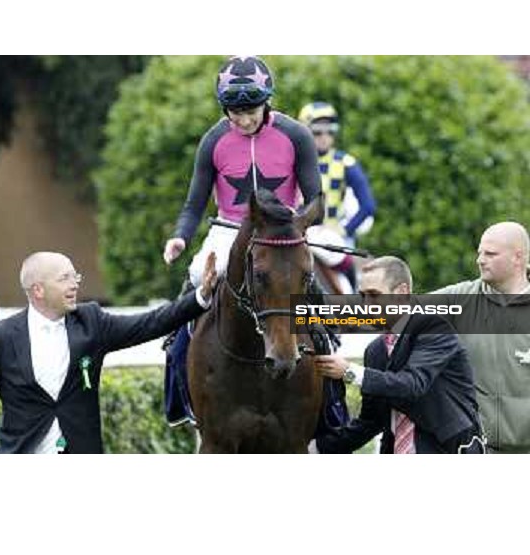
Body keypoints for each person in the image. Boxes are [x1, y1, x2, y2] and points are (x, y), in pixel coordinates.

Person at [162, 55, 325, 427]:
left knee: (310, 292)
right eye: (234, 112)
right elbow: (193, 204)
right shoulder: (214, 139)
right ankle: (177, 380)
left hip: (282, 231)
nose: (243, 120)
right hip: (228, 229)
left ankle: (330, 395)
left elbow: (317, 199)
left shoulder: (296, 134)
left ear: (267, 101)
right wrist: (180, 238)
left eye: (250, 110)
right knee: (192, 291)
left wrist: (299, 222)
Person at [0, 250, 217, 454]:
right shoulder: (0, 337)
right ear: (38, 290)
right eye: (64, 279)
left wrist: (200, 296)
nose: (75, 284)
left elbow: (151, 322)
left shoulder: (92, 322)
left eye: (75, 276)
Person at [310, 256, 485, 454]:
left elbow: (411, 384)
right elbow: (371, 422)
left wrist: (349, 371)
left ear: (402, 293)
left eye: (374, 295)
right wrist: (315, 448)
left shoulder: (434, 327)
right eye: (363, 295)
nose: (366, 304)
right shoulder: (375, 351)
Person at [432, 221, 530, 453]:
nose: (480, 260)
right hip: (477, 451)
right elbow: (396, 314)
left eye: (490, 254)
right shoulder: (460, 300)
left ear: (518, 257)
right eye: (480, 253)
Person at [298, 102, 376, 292]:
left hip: (333, 234)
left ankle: (354, 295)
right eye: (317, 132)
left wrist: (344, 229)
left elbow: (368, 206)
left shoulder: (345, 163)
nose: (325, 137)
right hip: (299, 230)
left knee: (336, 258)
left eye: (330, 131)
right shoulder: (293, 161)